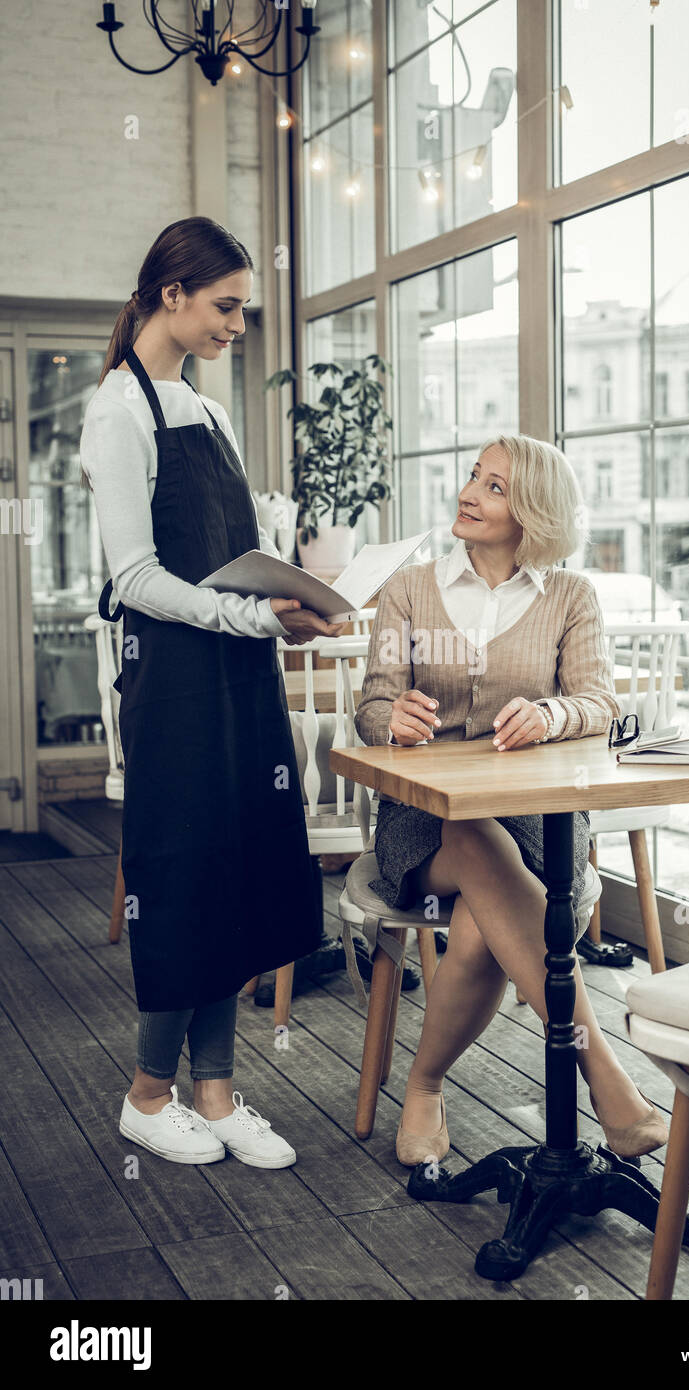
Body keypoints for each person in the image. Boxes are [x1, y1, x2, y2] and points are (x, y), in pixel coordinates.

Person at [80, 216, 347, 1168]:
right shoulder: (118, 410)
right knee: (185, 876)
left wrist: (282, 597)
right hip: (177, 680)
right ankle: (147, 1096)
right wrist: (257, 620)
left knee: (239, 867)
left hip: (240, 671)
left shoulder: (209, 410)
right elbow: (135, 579)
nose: (237, 325)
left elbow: (222, 557)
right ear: (172, 295)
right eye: (226, 307)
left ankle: (217, 1092)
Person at [354, 435, 670, 1166]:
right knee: (468, 839)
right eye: (473, 477)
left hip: (538, 823)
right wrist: (390, 718)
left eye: (493, 486)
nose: (469, 492)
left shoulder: (570, 595)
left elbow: (597, 702)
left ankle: (425, 1085)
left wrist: (552, 716)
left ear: (531, 509)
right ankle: (605, 1075)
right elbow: (371, 708)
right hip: (424, 825)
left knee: (476, 923)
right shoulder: (409, 589)